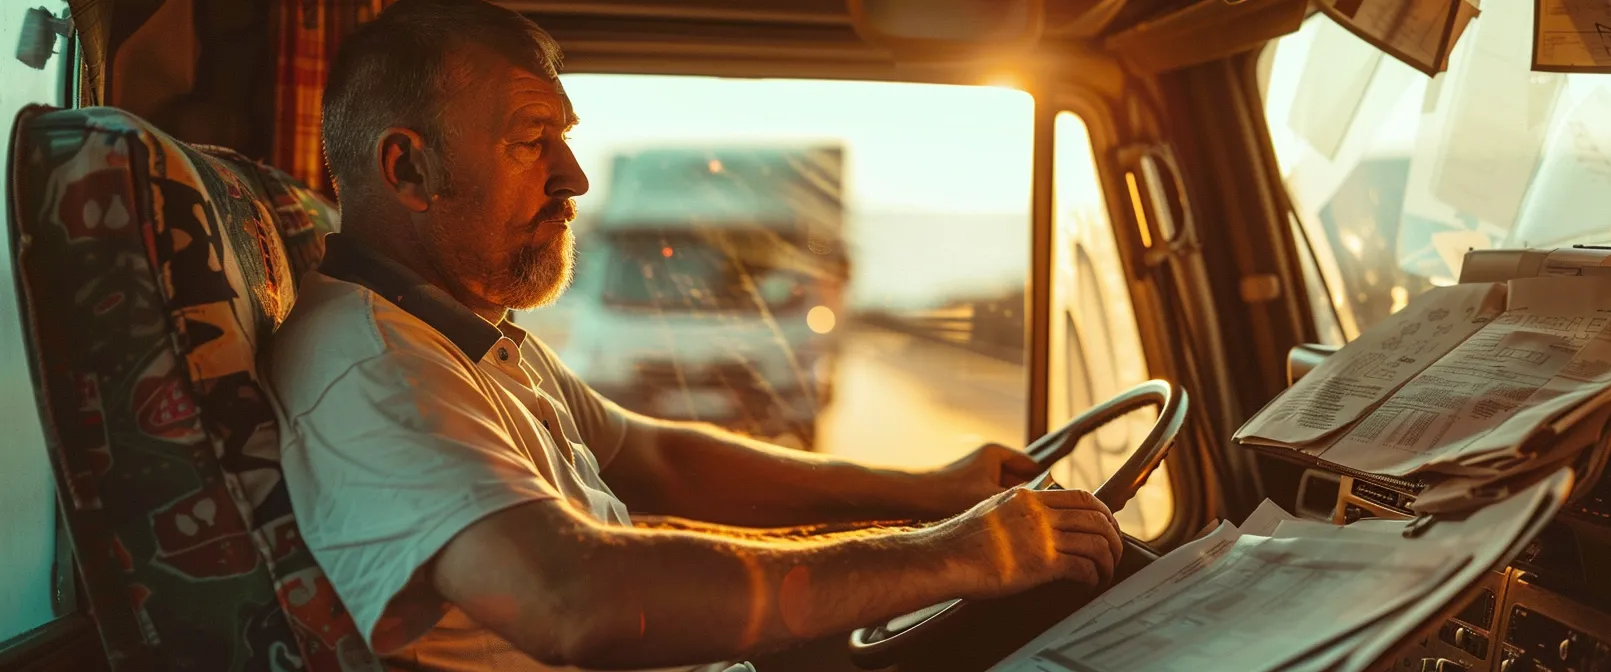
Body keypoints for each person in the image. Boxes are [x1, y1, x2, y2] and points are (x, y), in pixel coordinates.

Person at [264, 1, 1126, 670]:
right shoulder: (376, 371)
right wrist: (956, 552)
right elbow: (573, 597)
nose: (574, 178)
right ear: (406, 167)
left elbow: (657, 457)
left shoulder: (466, 336)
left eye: (564, 137)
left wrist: (928, 492)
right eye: (533, 142)